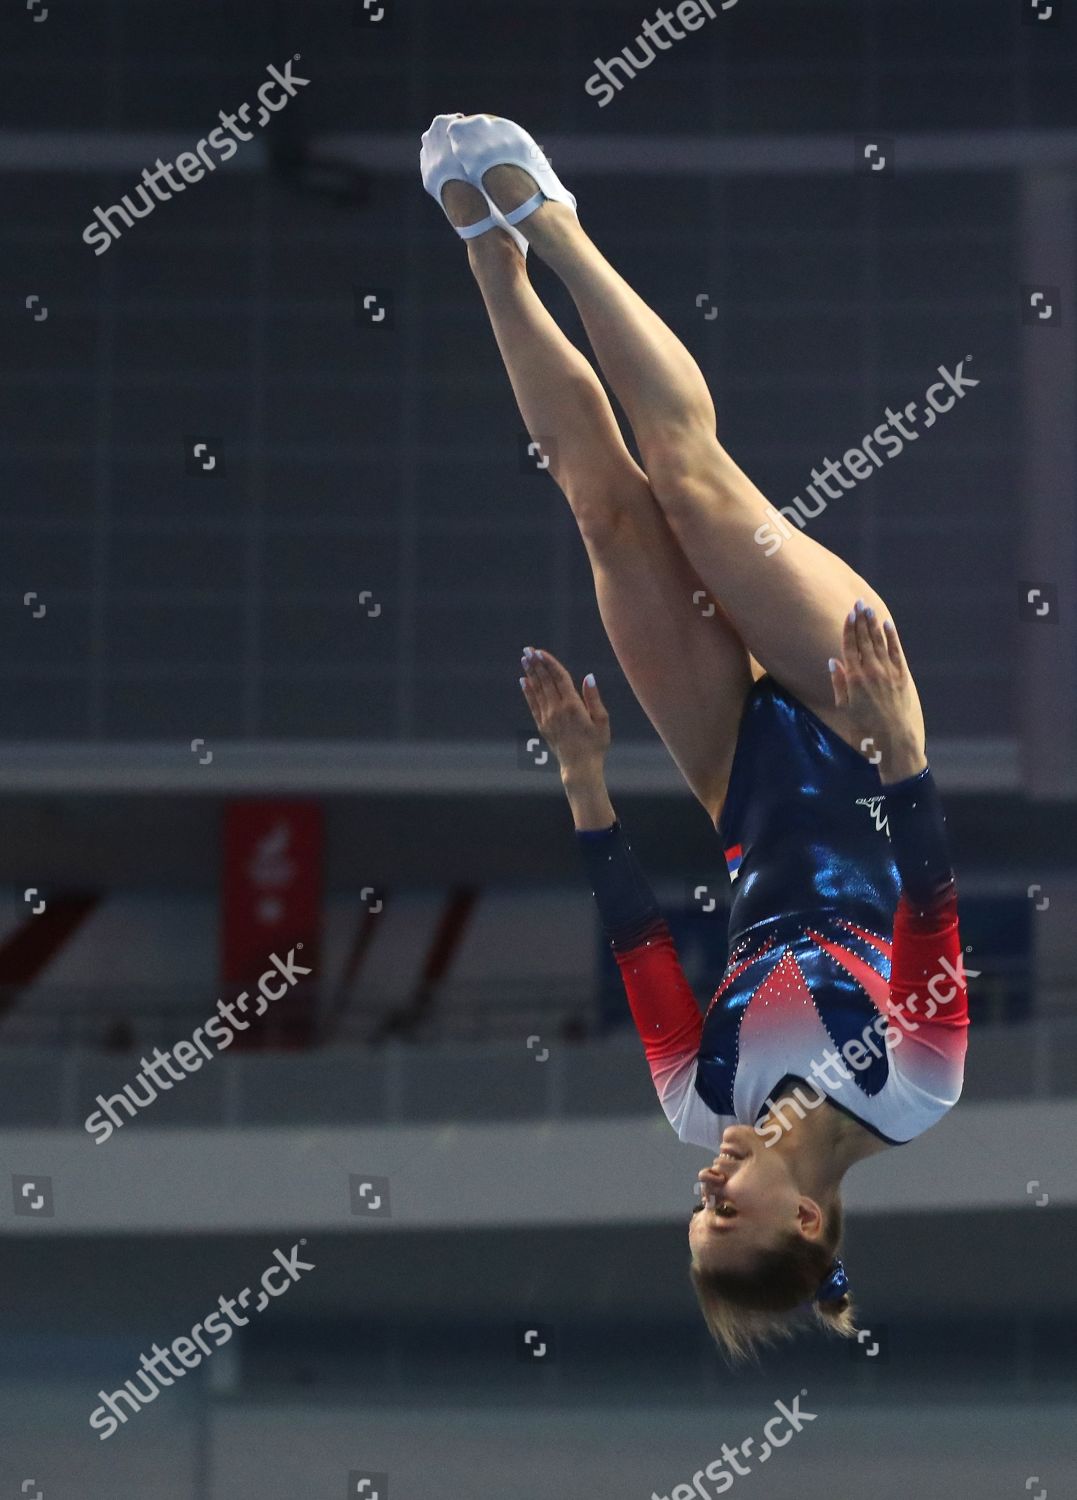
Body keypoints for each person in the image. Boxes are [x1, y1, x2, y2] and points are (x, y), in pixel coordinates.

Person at [421, 113, 970, 1358]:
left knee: (609, 512)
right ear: (814, 1223)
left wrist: (584, 782)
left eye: (694, 1219)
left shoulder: (696, 1099)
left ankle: (489, 261)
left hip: (733, 776)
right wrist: (899, 749)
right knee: (687, 473)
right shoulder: (916, 1083)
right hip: (861, 725)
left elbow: (639, 945)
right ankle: (554, 225)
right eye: (735, 1219)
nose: (707, 1193)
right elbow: (930, 898)